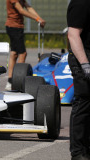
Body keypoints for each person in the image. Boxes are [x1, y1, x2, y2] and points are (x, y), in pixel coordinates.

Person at [5, 0, 46, 90]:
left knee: (14, 53)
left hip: (17, 27)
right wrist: (37, 19)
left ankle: (11, 81)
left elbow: (28, 7)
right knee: (23, 53)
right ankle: (18, 81)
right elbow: (21, 10)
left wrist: (40, 19)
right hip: (13, 27)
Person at [67, 0, 90, 160]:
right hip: (83, 57)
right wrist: (85, 64)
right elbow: (73, 34)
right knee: (84, 103)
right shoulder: (82, 2)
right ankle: (79, 152)